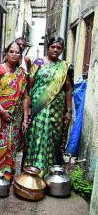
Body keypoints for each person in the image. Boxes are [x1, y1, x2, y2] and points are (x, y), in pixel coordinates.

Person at [24, 37, 73, 171]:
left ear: (62, 49)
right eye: (53, 47)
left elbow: (68, 89)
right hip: (38, 107)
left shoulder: (65, 67)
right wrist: (27, 108)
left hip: (56, 110)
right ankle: (32, 169)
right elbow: (29, 86)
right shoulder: (38, 62)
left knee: (52, 138)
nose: (56, 50)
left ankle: (48, 171)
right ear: (48, 47)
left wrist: (69, 111)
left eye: (59, 48)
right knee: (35, 136)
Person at [0, 42, 29, 180]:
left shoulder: (22, 73)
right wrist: (2, 110)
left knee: (11, 145)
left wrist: (25, 119)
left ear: (20, 55)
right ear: (6, 53)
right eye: (11, 51)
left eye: (17, 52)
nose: (14, 54)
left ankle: (7, 177)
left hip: (15, 117)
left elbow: (24, 96)